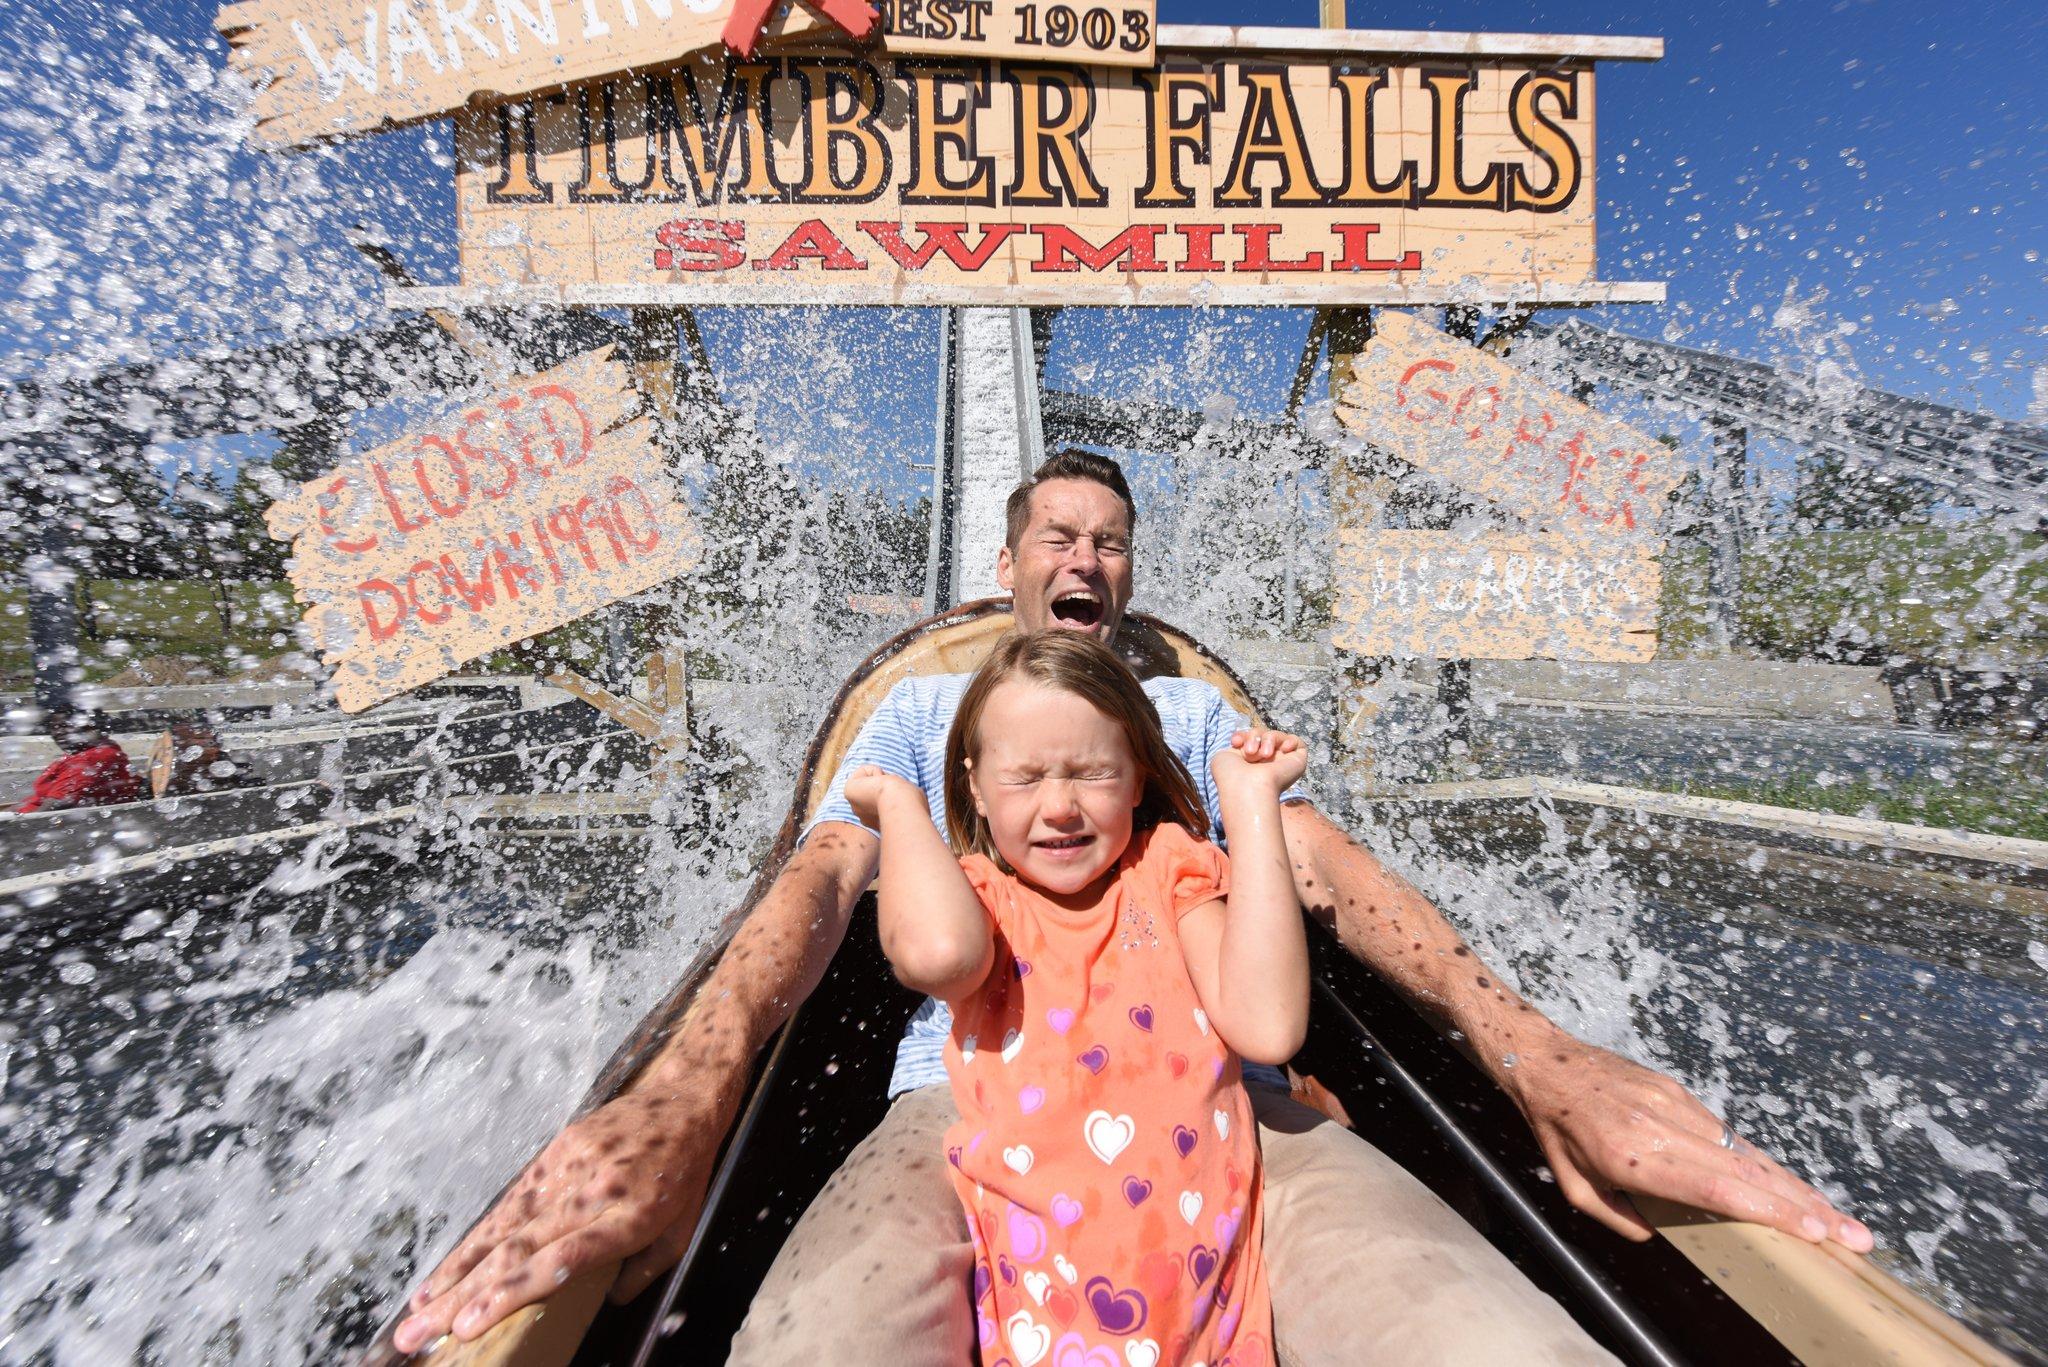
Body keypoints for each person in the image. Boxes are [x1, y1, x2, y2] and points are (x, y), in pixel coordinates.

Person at [395, 450, 1871, 1362]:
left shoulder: (1181, 713)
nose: (1083, 558)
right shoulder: (920, 714)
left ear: (1128, 570)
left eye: (1107, 538)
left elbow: (1317, 863)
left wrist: (1533, 1048)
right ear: (1011, 563)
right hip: (961, 1103)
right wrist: (693, 1089)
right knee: (815, 1339)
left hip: (1229, 1099)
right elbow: (822, 878)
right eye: (1057, 534)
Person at [845, 631, 1309, 1367]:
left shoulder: (1169, 872)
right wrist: (901, 806)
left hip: (1211, 1322)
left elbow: (1270, 1025)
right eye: (1024, 778)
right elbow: (937, 955)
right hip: (1046, 1314)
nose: (1059, 806)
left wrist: (1249, 803)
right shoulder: (980, 900)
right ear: (974, 786)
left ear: (1136, 778)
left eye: (1091, 772)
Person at [16, 709, 142, 814]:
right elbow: (35, 799)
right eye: (53, 727)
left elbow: (58, 804)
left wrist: (10, 826)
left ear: (89, 727)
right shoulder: (77, 753)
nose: (57, 733)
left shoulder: (96, 757)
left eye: (65, 726)